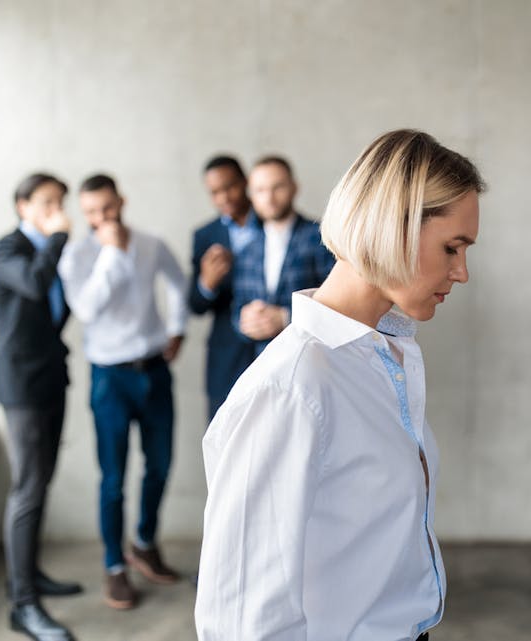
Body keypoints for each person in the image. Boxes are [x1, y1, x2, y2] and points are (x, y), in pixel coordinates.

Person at [195, 130, 485, 641]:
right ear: (392, 228)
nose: (461, 272)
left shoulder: (381, 358)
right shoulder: (293, 387)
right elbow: (241, 620)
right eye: (451, 248)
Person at [57, 174, 188, 610]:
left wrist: (177, 328)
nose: (101, 218)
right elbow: (87, 309)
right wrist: (111, 252)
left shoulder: (150, 243)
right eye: (91, 212)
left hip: (155, 371)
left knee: (161, 464)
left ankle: (145, 542)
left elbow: (177, 282)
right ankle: (115, 565)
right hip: (109, 378)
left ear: (121, 201)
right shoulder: (76, 256)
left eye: (108, 209)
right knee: (113, 478)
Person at [0, 173, 81, 641]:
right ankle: (23, 605)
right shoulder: (9, 250)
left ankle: (28, 575)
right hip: (21, 386)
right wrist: (61, 235)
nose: (56, 210)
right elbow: (34, 282)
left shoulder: (48, 251)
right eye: (46, 202)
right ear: (22, 206)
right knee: (27, 489)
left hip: (49, 380)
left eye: (60, 203)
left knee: (41, 483)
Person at [231, 156, 335, 357]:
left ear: (294, 188)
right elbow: (238, 307)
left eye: (277, 187)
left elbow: (339, 301)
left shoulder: (322, 238)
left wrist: (287, 317)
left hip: (314, 358)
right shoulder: (246, 248)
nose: (269, 198)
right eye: (260, 190)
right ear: (251, 195)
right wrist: (245, 320)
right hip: (263, 362)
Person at [188, 155, 262, 420]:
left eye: (229, 187)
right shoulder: (204, 235)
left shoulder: (275, 221)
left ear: (244, 182)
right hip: (226, 354)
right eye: (215, 192)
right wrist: (207, 282)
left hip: (273, 344)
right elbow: (195, 304)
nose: (224, 198)